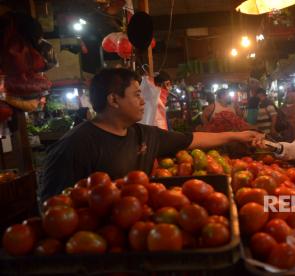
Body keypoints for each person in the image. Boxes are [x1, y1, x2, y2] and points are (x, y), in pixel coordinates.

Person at [39, 68, 261, 203]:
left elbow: (193, 139)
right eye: (137, 95)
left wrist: (238, 136)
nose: (143, 101)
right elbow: (52, 206)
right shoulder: (74, 146)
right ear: (113, 100)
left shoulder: (144, 135)